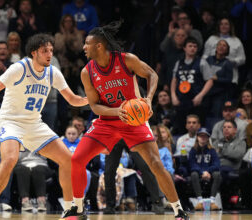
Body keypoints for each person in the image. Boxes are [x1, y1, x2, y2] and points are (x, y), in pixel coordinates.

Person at [64, 21, 189, 219]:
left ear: (99, 46)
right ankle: (78, 209)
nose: (84, 47)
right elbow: (95, 106)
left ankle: (178, 210)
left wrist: (147, 99)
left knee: (156, 164)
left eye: (87, 44)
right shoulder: (87, 72)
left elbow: (152, 74)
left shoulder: (126, 60)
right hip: (107, 121)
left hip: (134, 120)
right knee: (77, 159)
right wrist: (117, 113)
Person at [0, 33, 88, 220]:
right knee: (10, 159)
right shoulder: (19, 68)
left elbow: (72, 99)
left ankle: (68, 210)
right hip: (11, 121)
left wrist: (91, 100)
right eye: (45, 51)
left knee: (68, 159)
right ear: (34, 52)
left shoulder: (53, 72)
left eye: (51, 50)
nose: (49, 54)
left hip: (34, 123)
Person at [170, 37, 213, 135]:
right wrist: (173, 95)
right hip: (181, 101)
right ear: (184, 48)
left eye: (195, 46)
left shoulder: (201, 62)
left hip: (195, 101)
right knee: (181, 129)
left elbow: (210, 80)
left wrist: (200, 95)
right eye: (190, 46)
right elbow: (174, 79)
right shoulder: (179, 63)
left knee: (198, 130)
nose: (193, 48)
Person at [188, 128, 221, 211]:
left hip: (209, 172)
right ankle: (200, 201)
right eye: (200, 136)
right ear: (197, 137)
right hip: (199, 172)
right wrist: (202, 172)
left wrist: (208, 171)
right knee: (194, 174)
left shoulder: (212, 150)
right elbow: (192, 164)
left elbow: (216, 164)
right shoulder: (193, 150)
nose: (203, 138)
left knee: (217, 174)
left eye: (205, 136)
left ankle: (212, 201)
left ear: (208, 138)